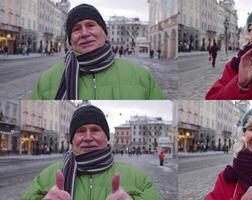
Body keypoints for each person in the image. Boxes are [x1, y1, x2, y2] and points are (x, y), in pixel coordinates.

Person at [21, 105, 160, 200]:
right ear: (72, 139)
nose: (88, 138)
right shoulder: (46, 177)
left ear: (107, 137)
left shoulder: (139, 179)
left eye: (95, 130)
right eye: (81, 131)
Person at [30, 4, 166, 100]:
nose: (84, 33)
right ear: (70, 40)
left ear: (104, 32)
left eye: (91, 25)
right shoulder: (47, 80)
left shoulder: (141, 76)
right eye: (76, 29)